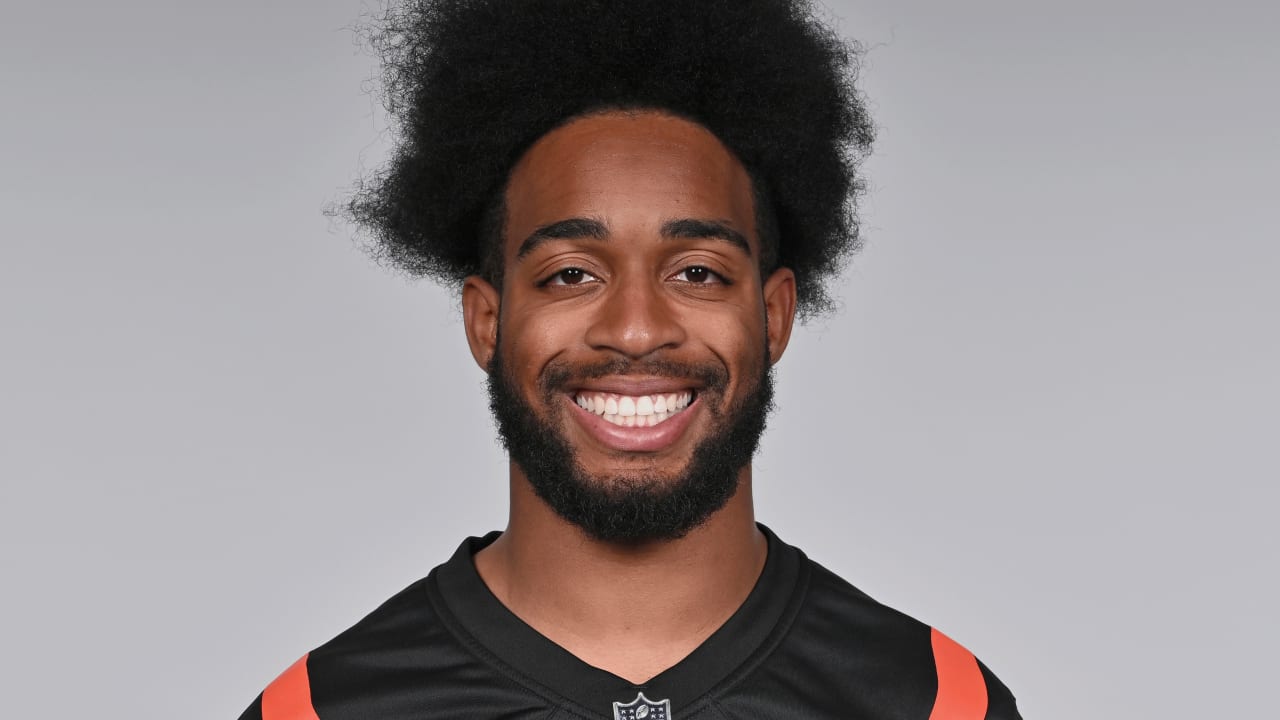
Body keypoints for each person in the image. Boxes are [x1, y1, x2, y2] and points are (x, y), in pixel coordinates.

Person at [239, 1, 1021, 718]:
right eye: (571, 274)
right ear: (486, 321)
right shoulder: (322, 708)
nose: (638, 330)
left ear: (774, 314)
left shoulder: (936, 702)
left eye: (698, 272)